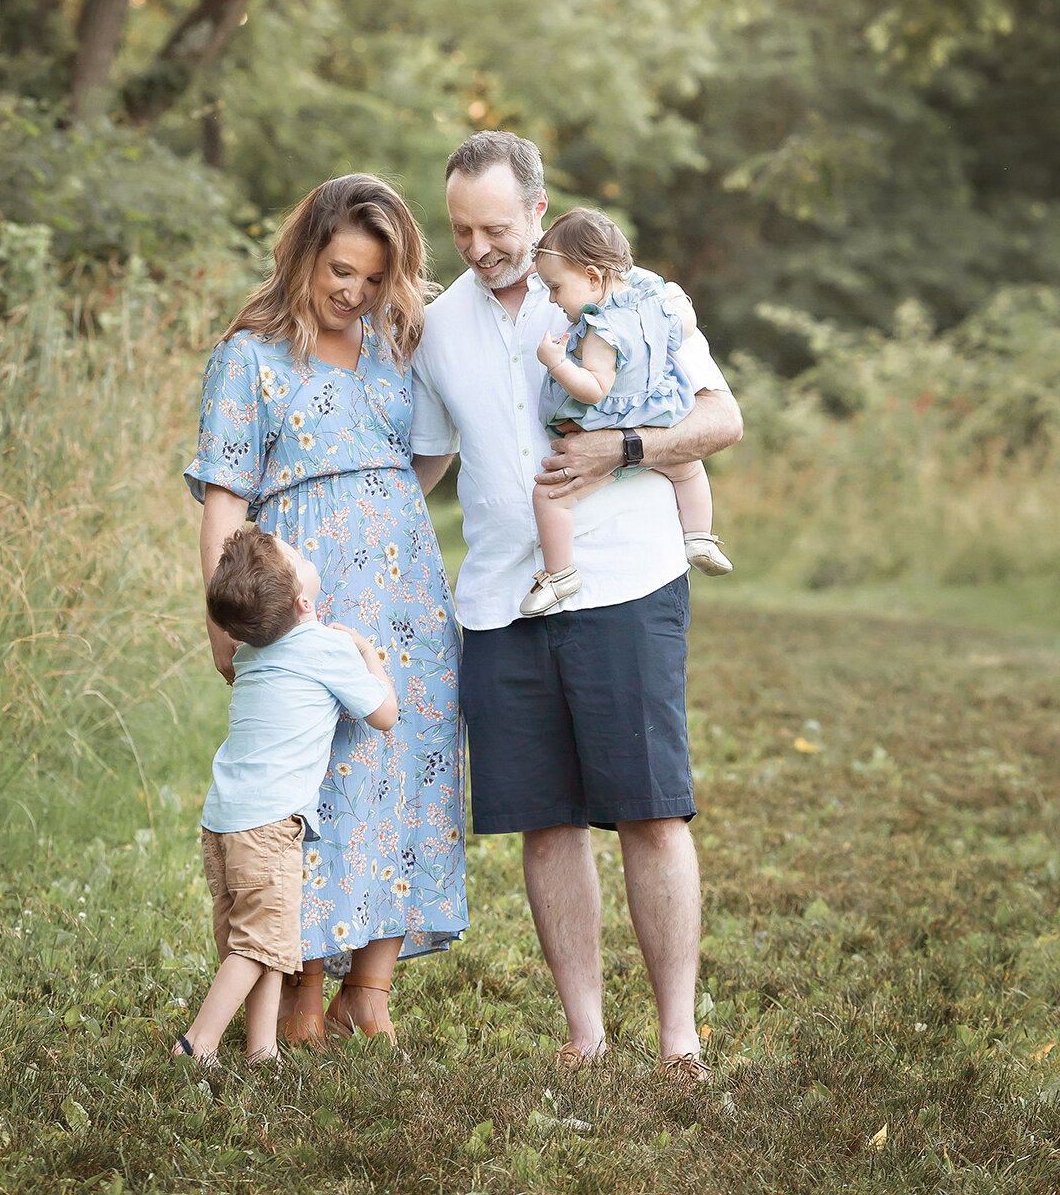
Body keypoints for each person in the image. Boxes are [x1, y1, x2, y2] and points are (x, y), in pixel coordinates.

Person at [410, 132, 744, 1079]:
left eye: (497, 227)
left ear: (540, 213)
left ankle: (678, 1040)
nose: (479, 247)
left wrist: (624, 449)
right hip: (500, 601)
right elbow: (428, 460)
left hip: (624, 581)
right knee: (545, 818)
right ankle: (586, 1035)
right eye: (462, 230)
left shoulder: (637, 298)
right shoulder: (439, 328)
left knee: (649, 810)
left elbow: (722, 419)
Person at [185, 173, 467, 1049]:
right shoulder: (251, 354)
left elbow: (420, 460)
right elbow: (226, 498)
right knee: (321, 775)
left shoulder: (396, 345)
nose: (355, 292)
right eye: (341, 271)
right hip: (305, 593)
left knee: (408, 758)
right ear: (306, 253)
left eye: (375, 278)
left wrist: (380, 507)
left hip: (406, 590)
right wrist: (224, 621)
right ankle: (300, 982)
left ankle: (369, 990)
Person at [173, 526, 397, 1068]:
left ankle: (262, 1051)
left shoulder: (250, 652)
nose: (304, 550)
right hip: (270, 825)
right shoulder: (327, 647)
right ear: (303, 602)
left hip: (224, 819)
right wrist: (367, 651)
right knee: (257, 945)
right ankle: (196, 1044)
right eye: (298, 558)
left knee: (260, 939)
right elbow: (384, 714)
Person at [526, 207, 730, 617]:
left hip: (608, 426)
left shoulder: (603, 331)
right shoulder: (653, 303)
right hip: (657, 416)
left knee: (548, 498)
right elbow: (684, 326)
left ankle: (560, 573)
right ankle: (699, 536)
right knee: (687, 467)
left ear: (593, 278)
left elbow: (593, 389)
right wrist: (677, 295)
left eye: (555, 287)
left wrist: (556, 362)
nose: (551, 298)